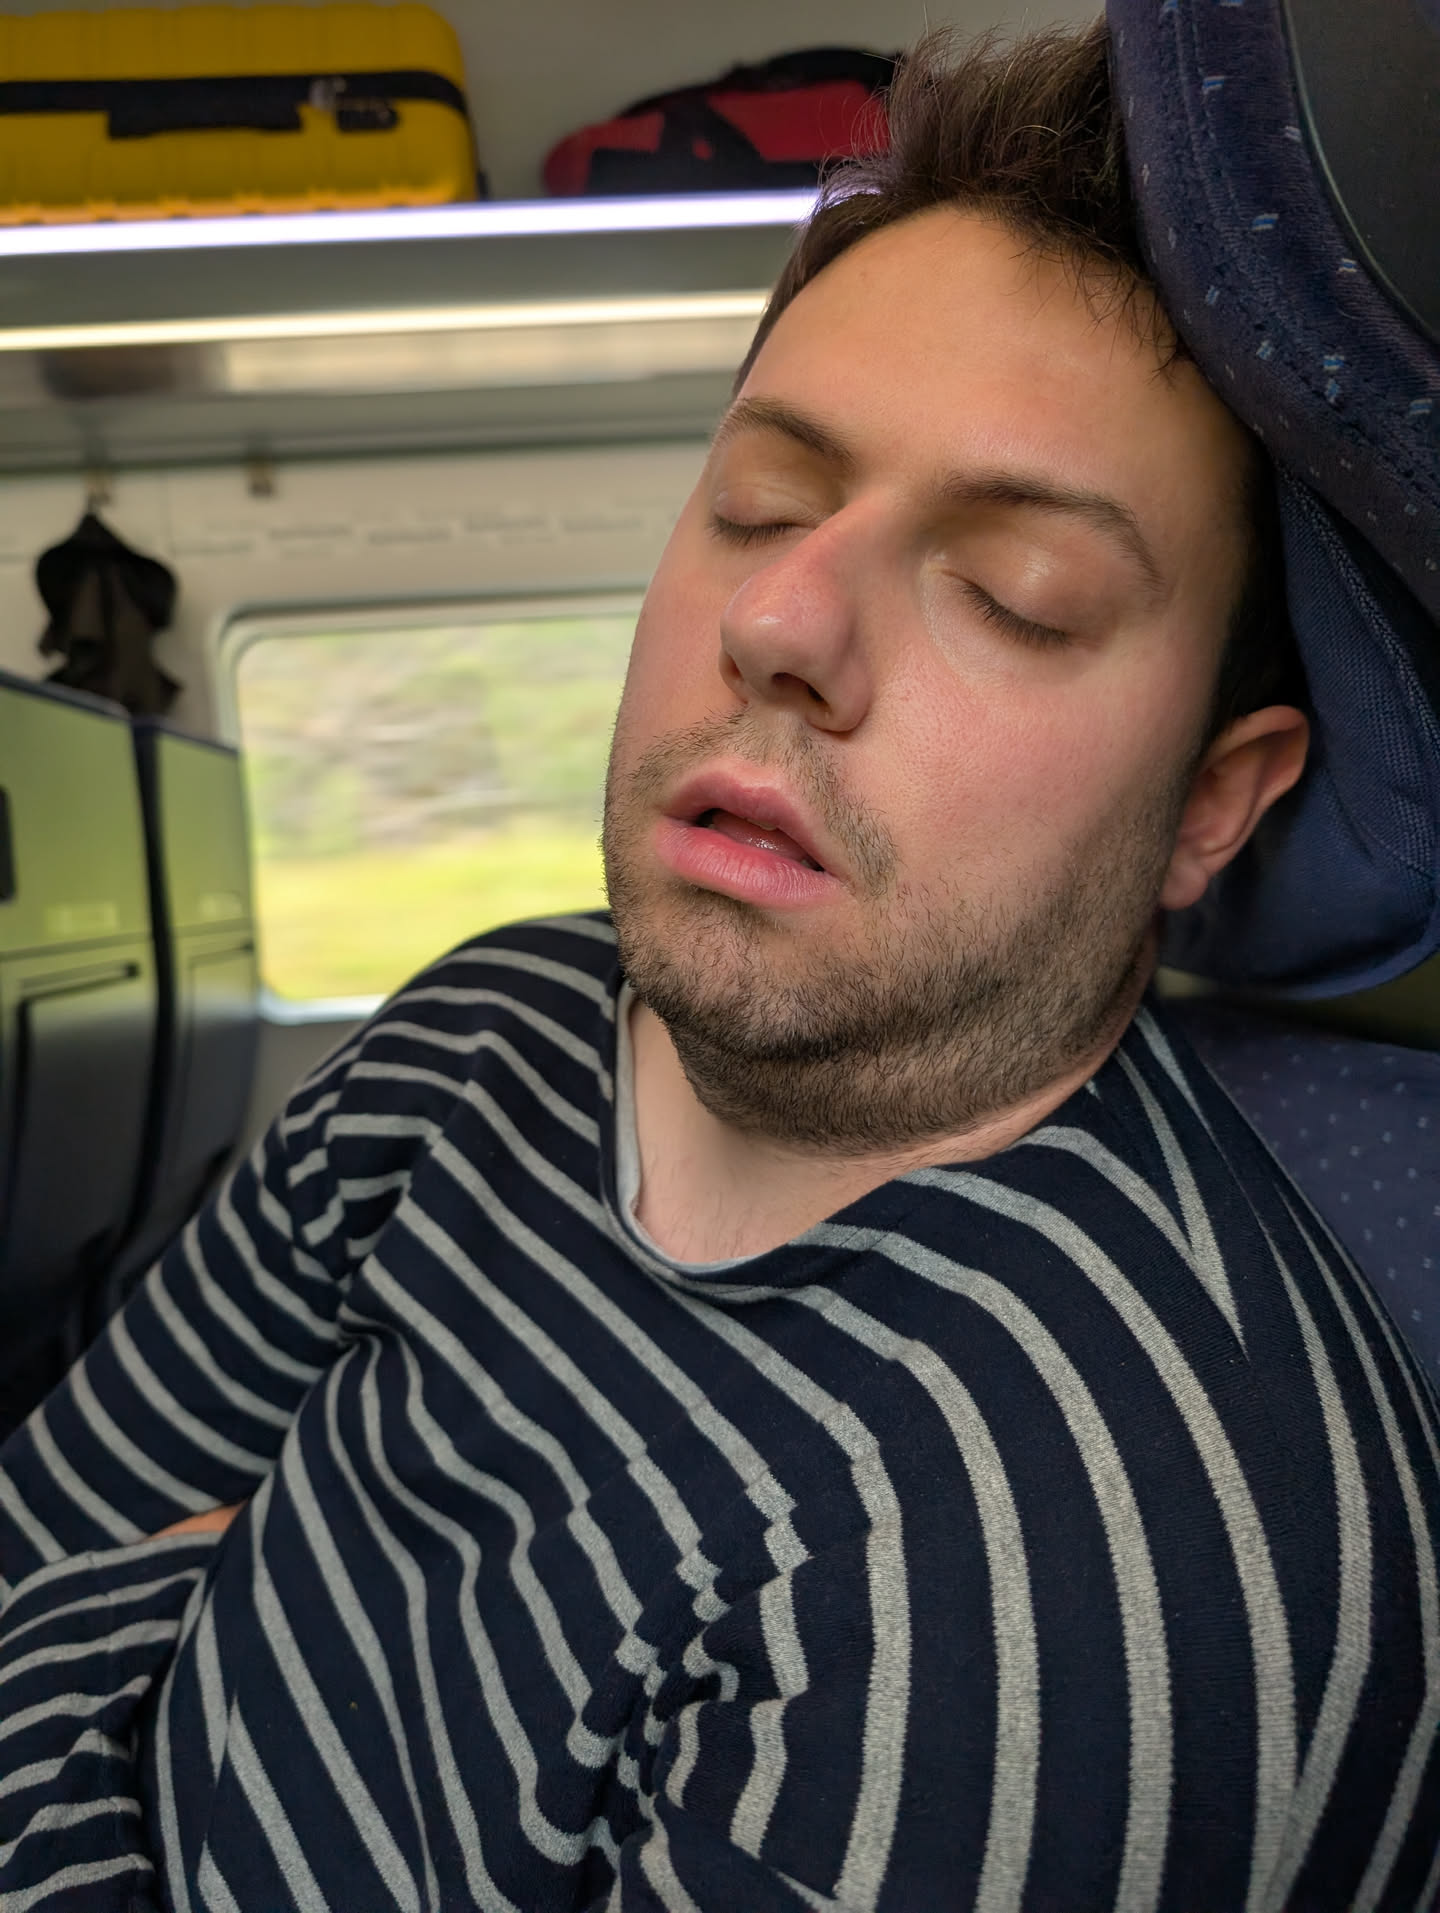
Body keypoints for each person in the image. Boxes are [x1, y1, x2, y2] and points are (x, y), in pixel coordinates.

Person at [3, 19, 1439, 1913]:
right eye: (761, 501)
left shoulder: (1065, 1569)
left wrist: (117, 1638)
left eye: (1013, 595)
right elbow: (33, 1547)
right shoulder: (491, 1032)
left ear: (1213, 803)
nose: (777, 617)